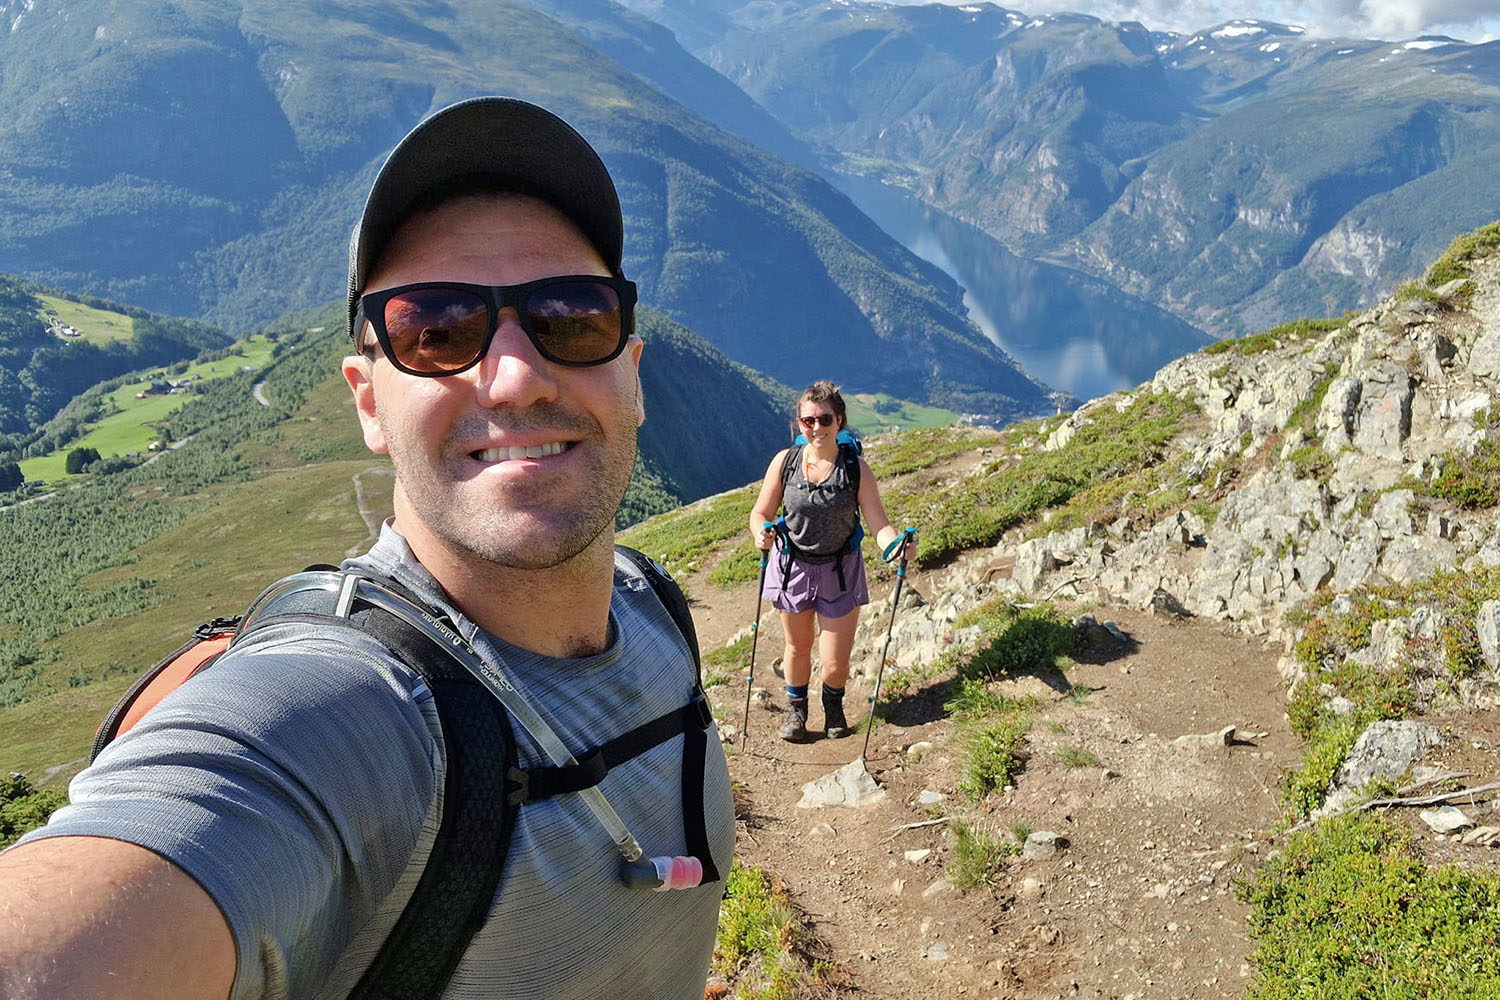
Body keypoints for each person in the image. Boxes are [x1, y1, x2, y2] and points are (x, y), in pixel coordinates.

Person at [0, 96, 734, 999]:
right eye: (435, 330)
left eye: (572, 317)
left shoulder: (652, 606)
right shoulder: (342, 714)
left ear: (633, 368)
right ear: (366, 399)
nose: (512, 375)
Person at [748, 380, 915, 742]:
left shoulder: (856, 469)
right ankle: (796, 712)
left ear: (839, 421)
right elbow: (761, 511)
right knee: (797, 647)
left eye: (825, 420)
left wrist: (895, 547)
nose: (817, 428)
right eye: (808, 421)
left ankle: (833, 706)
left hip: (840, 572)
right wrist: (760, 530)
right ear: (799, 423)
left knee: (836, 659)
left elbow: (878, 524)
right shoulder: (786, 462)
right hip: (794, 567)